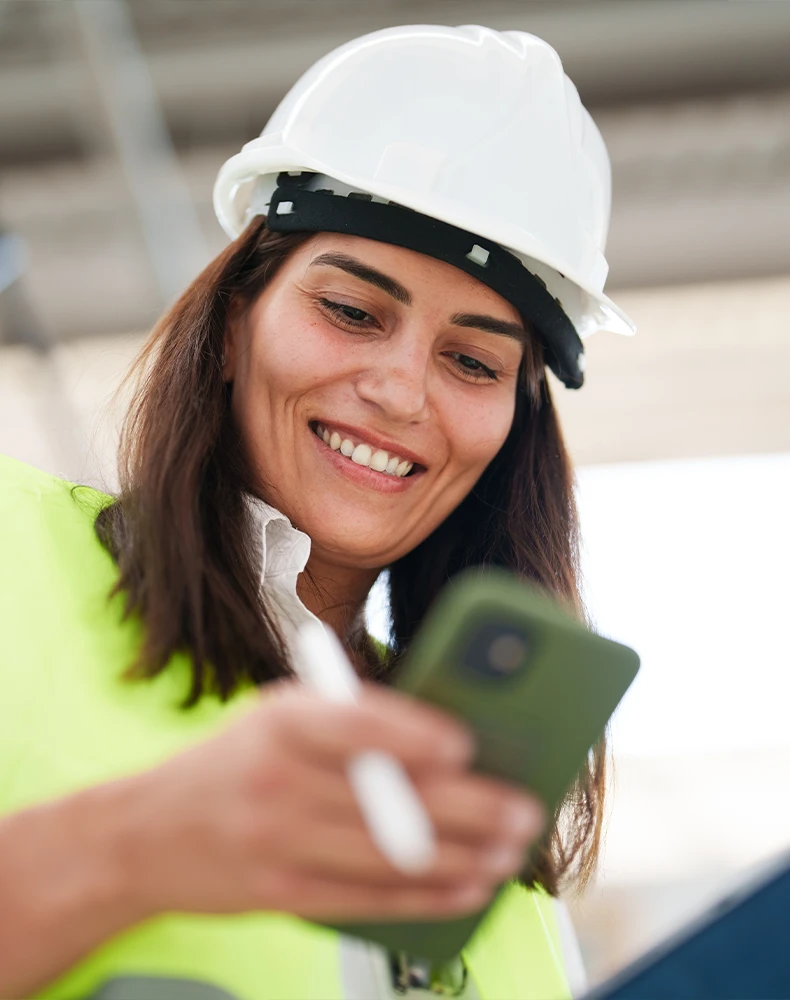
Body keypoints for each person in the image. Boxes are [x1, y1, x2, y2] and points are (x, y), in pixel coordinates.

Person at [0, 24, 634, 1000]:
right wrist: (132, 848)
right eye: (350, 310)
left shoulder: (499, 867)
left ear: (510, 427)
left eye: (471, 360)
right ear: (229, 330)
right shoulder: (10, 551)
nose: (398, 391)